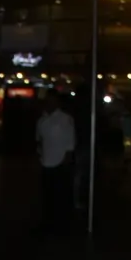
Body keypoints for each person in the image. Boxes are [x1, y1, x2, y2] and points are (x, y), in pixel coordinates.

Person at [36, 89, 76, 233]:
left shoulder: (65, 119)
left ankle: (62, 225)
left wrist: (66, 161)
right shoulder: (42, 120)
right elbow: (39, 140)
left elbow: (70, 142)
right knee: (47, 196)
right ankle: (48, 223)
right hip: (46, 162)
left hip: (60, 163)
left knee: (60, 196)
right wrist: (40, 156)